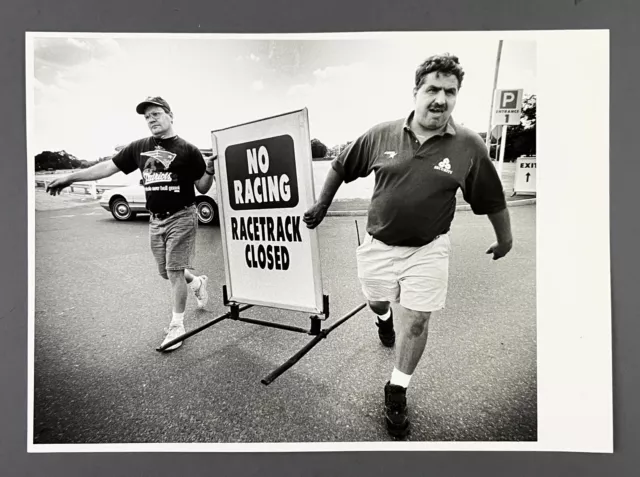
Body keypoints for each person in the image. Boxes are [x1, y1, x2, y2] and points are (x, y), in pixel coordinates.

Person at [303, 54, 513, 438]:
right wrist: (321, 204)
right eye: (432, 89)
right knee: (378, 301)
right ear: (416, 92)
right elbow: (340, 167)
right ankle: (382, 319)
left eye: (450, 92)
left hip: (428, 249)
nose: (440, 99)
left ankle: (397, 387)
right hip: (378, 245)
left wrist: (505, 238)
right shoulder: (381, 135)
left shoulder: (469, 145)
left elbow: (492, 199)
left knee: (416, 319)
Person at [46, 96, 216, 351]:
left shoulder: (188, 150)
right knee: (167, 272)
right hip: (155, 220)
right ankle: (197, 282)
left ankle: (176, 327)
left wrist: (210, 170)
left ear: (170, 115)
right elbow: (106, 168)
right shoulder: (138, 147)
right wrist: (71, 177)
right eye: (147, 117)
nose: (151, 119)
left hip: (182, 215)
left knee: (174, 271)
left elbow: (202, 186)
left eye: (156, 114)